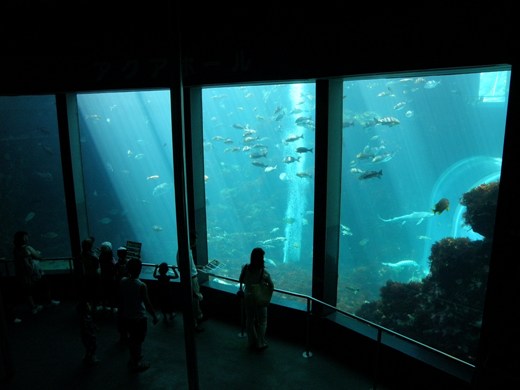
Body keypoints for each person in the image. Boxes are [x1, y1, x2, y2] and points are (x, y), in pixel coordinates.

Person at [118, 258, 159, 372]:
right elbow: (147, 303)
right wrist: (154, 316)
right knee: (138, 340)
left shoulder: (122, 281)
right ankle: (136, 363)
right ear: (140, 270)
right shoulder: (141, 285)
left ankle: (134, 357)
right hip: (139, 318)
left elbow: (121, 299)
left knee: (132, 338)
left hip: (127, 316)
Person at [13, 230, 60, 315]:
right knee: (45, 284)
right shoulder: (27, 248)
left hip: (22, 273)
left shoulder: (15, 249)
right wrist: (37, 253)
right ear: (23, 238)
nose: (27, 238)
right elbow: (38, 257)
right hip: (33, 272)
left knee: (27, 291)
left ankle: (33, 307)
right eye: (26, 236)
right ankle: (48, 301)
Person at [239, 247, 274, 351]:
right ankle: (260, 342)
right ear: (261, 258)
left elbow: (241, 280)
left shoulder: (245, 267)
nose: (263, 259)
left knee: (249, 320)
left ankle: (252, 341)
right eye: (262, 257)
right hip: (259, 299)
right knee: (262, 321)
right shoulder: (264, 272)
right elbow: (271, 285)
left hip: (247, 297)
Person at [176, 234, 204, 332]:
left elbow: (186, 266)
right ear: (191, 240)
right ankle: (194, 325)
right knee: (194, 302)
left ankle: (194, 323)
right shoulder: (185, 251)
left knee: (194, 301)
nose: (196, 242)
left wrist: (196, 267)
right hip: (191, 279)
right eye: (195, 240)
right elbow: (184, 269)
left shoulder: (184, 250)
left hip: (191, 278)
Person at [79, 237, 101, 310]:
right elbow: (96, 265)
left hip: (87, 275)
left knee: (88, 292)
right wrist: (98, 255)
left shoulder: (82, 253)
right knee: (94, 292)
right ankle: (94, 307)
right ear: (89, 246)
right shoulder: (93, 256)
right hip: (94, 276)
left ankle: (89, 306)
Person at [77, 300, 100, 366]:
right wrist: (90, 334)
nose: (90, 306)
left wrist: (96, 328)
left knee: (89, 347)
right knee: (93, 346)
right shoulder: (84, 319)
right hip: (88, 336)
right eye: (88, 305)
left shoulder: (88, 316)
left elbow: (92, 324)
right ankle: (92, 357)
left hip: (88, 335)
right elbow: (85, 329)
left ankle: (87, 357)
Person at [98, 241, 116, 312]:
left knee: (103, 293)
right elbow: (114, 266)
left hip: (103, 277)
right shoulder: (111, 258)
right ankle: (112, 308)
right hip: (110, 278)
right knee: (111, 293)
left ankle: (104, 307)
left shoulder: (101, 257)